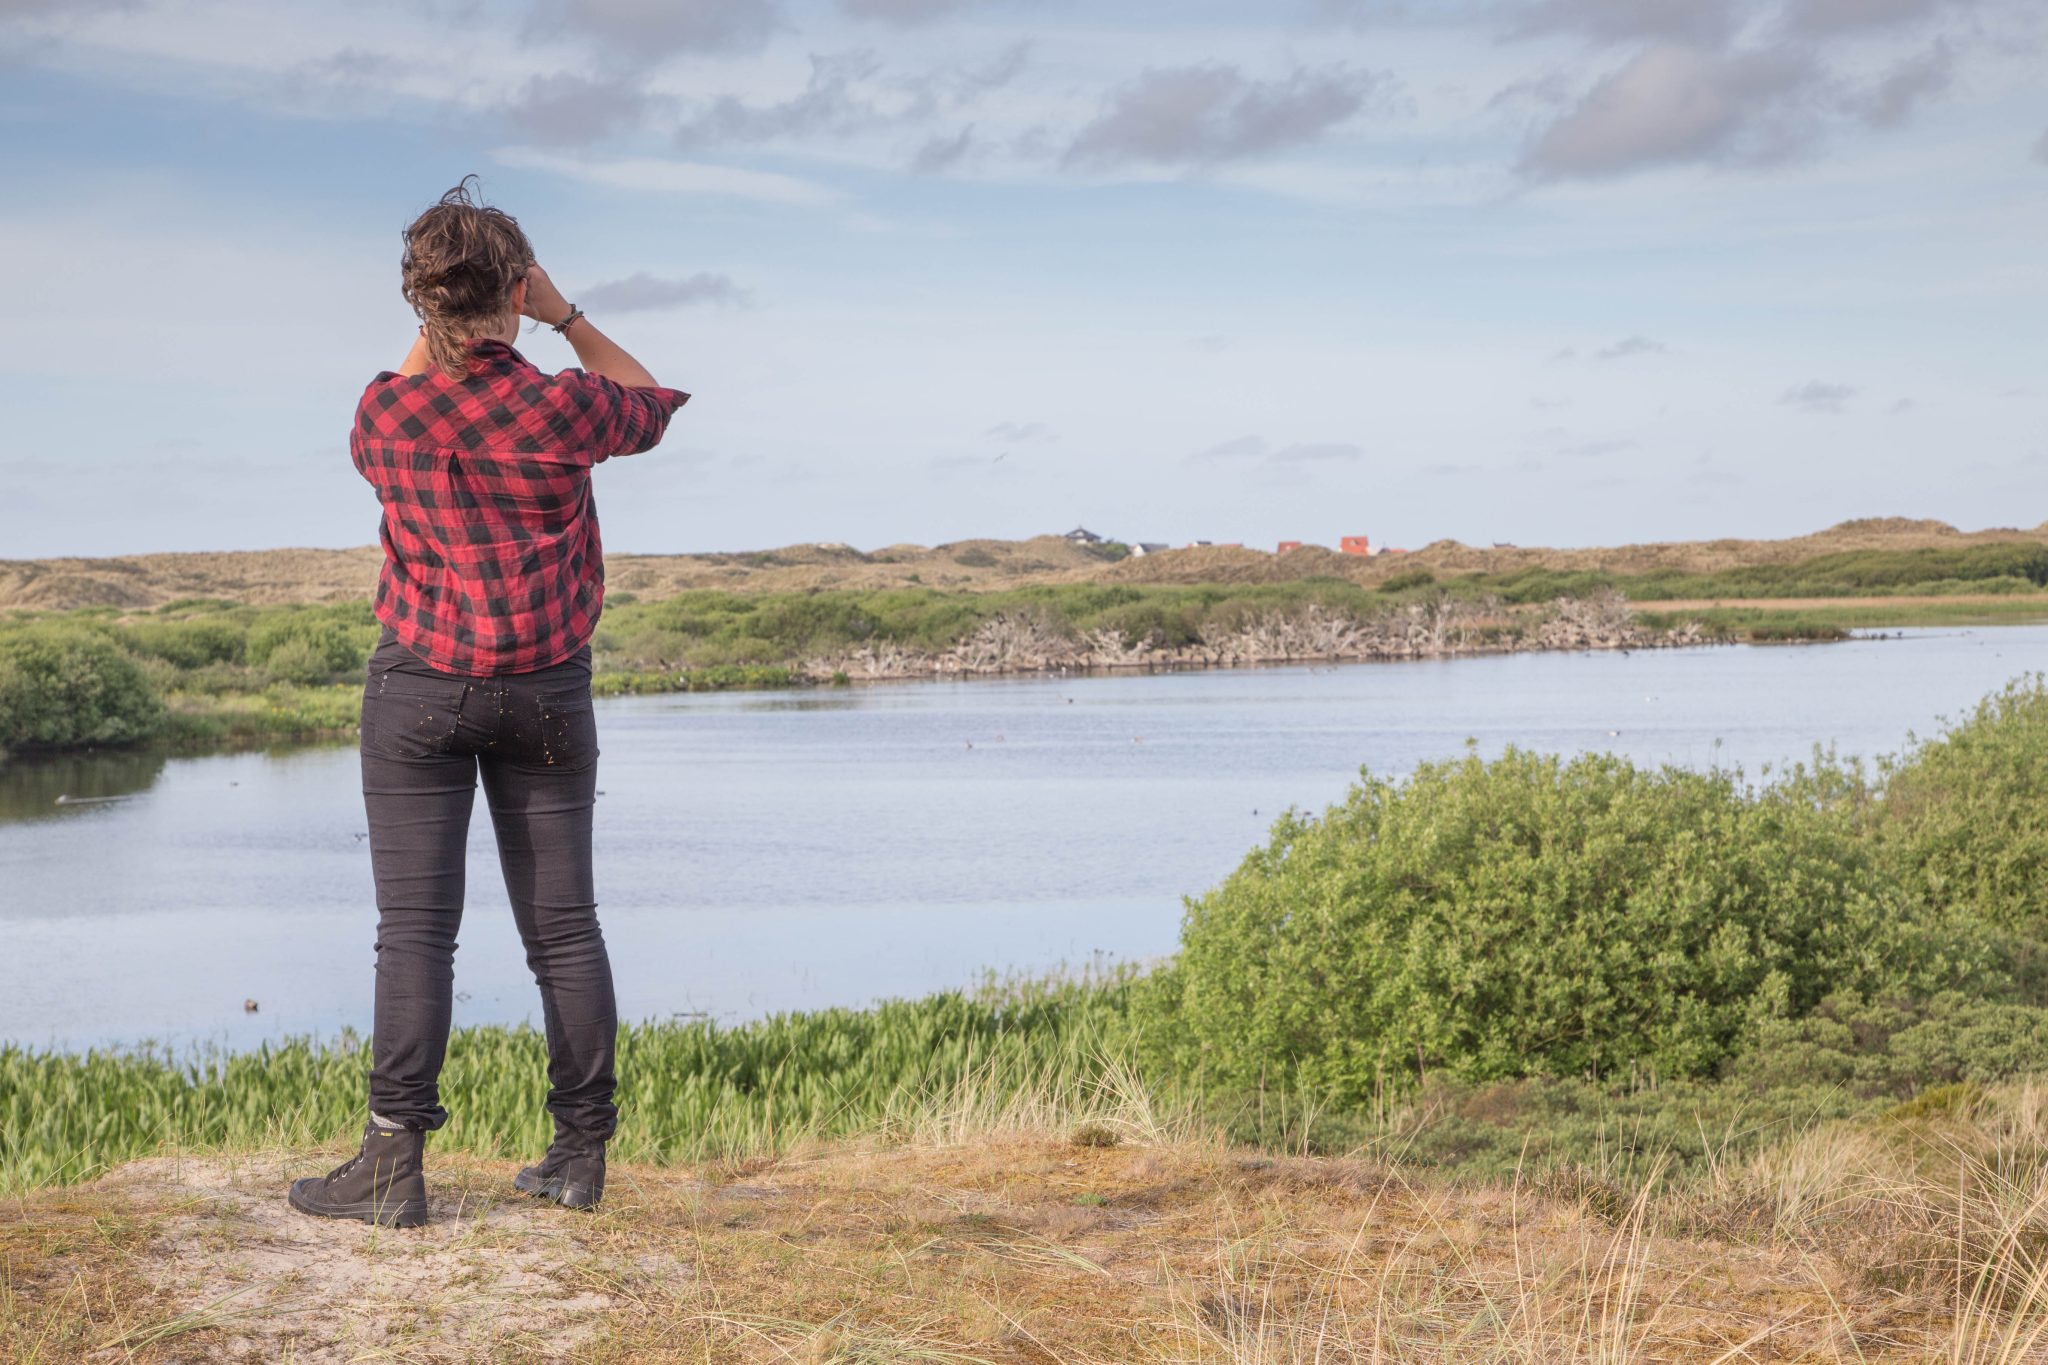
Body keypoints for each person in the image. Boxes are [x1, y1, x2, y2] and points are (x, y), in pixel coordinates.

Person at [287, 179, 689, 1227]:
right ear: (515, 288)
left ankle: (391, 1165)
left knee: (414, 931)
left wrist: (444, 321)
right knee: (564, 929)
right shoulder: (567, 405)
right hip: (548, 691)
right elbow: (652, 399)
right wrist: (561, 315)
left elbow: (427, 371)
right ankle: (578, 1155)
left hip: (418, 686)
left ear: (421, 303)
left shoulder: (387, 413)